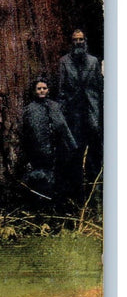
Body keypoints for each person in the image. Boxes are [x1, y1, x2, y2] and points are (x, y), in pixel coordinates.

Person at [58, 29, 103, 201]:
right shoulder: (64, 62)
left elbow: (99, 89)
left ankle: (96, 196)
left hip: (92, 113)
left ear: (85, 41)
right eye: (75, 40)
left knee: (94, 155)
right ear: (71, 42)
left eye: (81, 39)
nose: (78, 42)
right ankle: (78, 197)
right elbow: (62, 91)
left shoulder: (93, 61)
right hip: (74, 115)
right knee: (75, 155)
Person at [21, 77, 77, 210]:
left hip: (57, 151)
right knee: (41, 179)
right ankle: (41, 206)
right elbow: (27, 133)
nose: (41, 91)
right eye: (39, 89)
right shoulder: (30, 109)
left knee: (58, 179)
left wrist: (71, 146)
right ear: (34, 91)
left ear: (48, 90)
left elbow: (63, 127)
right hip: (38, 152)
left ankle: (58, 206)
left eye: (44, 88)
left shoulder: (55, 106)